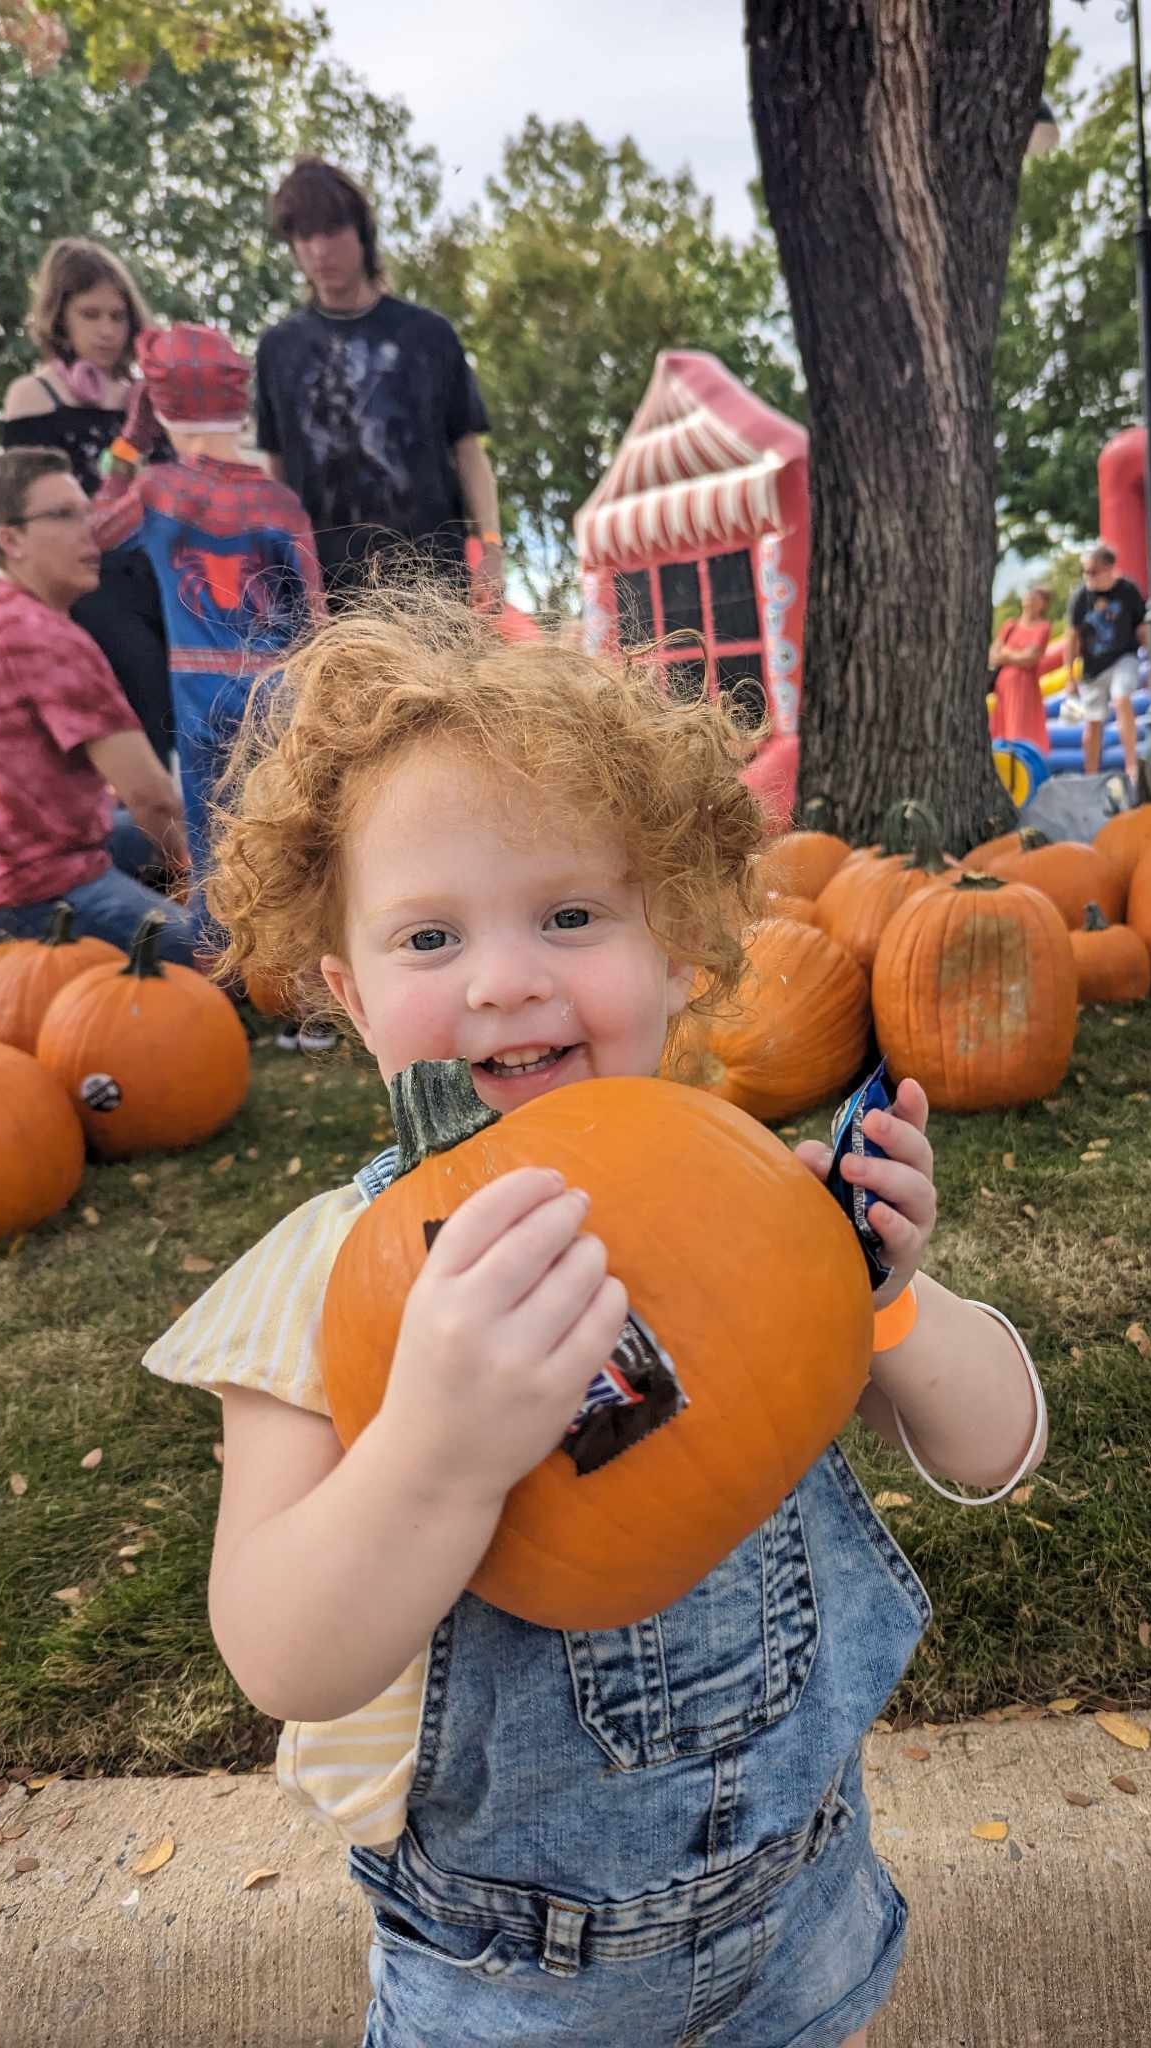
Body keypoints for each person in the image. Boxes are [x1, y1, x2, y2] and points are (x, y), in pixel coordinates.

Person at [142, 589, 1047, 2048]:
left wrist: (884, 1299)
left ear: (679, 946)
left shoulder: (751, 1202)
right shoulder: (322, 1281)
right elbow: (281, 1651)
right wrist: (433, 1455)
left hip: (803, 1915)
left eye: (569, 915)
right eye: (428, 938)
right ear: (350, 994)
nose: (504, 979)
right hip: (512, 1982)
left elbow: (999, 1448)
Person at [93, 322, 332, 1051]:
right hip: (277, 687)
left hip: (200, 693)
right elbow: (314, 612)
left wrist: (130, 444)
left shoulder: (159, 491)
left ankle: (229, 994)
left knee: (214, 844)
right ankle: (308, 995)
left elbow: (95, 526)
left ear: (161, 403)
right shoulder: (278, 501)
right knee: (291, 836)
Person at [0, 449, 193, 960]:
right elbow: (151, 795)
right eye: (63, 516)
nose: (91, 530)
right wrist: (188, 875)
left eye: (87, 512)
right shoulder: (48, 638)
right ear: (9, 539)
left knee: (142, 830)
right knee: (229, 953)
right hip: (35, 894)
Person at [256, 157, 503, 606]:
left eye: (331, 231)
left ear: (363, 233)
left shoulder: (428, 335)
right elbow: (277, 475)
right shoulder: (278, 349)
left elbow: (468, 450)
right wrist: (285, 571)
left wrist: (491, 544)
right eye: (304, 236)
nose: (319, 250)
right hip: (328, 595)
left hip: (433, 582)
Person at [1, 238, 173, 766]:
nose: (106, 330)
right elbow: (28, 510)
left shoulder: (144, 397)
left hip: (154, 572)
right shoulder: (33, 396)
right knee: (141, 695)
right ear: (60, 318)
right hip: (86, 583)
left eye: (117, 316)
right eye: (90, 314)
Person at [1062, 542, 1147, 778]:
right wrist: (1070, 676)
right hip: (1093, 666)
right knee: (1093, 722)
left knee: (1121, 700)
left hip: (1123, 656)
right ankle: (1091, 775)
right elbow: (1072, 638)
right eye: (1085, 571)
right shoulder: (1080, 597)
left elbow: (1142, 628)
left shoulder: (1127, 590)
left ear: (1109, 568)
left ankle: (1132, 766)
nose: (1088, 576)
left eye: (1093, 571)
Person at [988, 584, 1053, 752]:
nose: (1030, 598)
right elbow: (994, 654)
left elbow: (1029, 659)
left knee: (1020, 730)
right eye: (1029, 593)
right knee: (1002, 730)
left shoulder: (1042, 627)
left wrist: (1006, 653)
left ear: (1043, 604)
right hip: (1003, 688)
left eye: (1036, 596)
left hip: (1024, 688)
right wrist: (1015, 655)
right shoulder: (1010, 626)